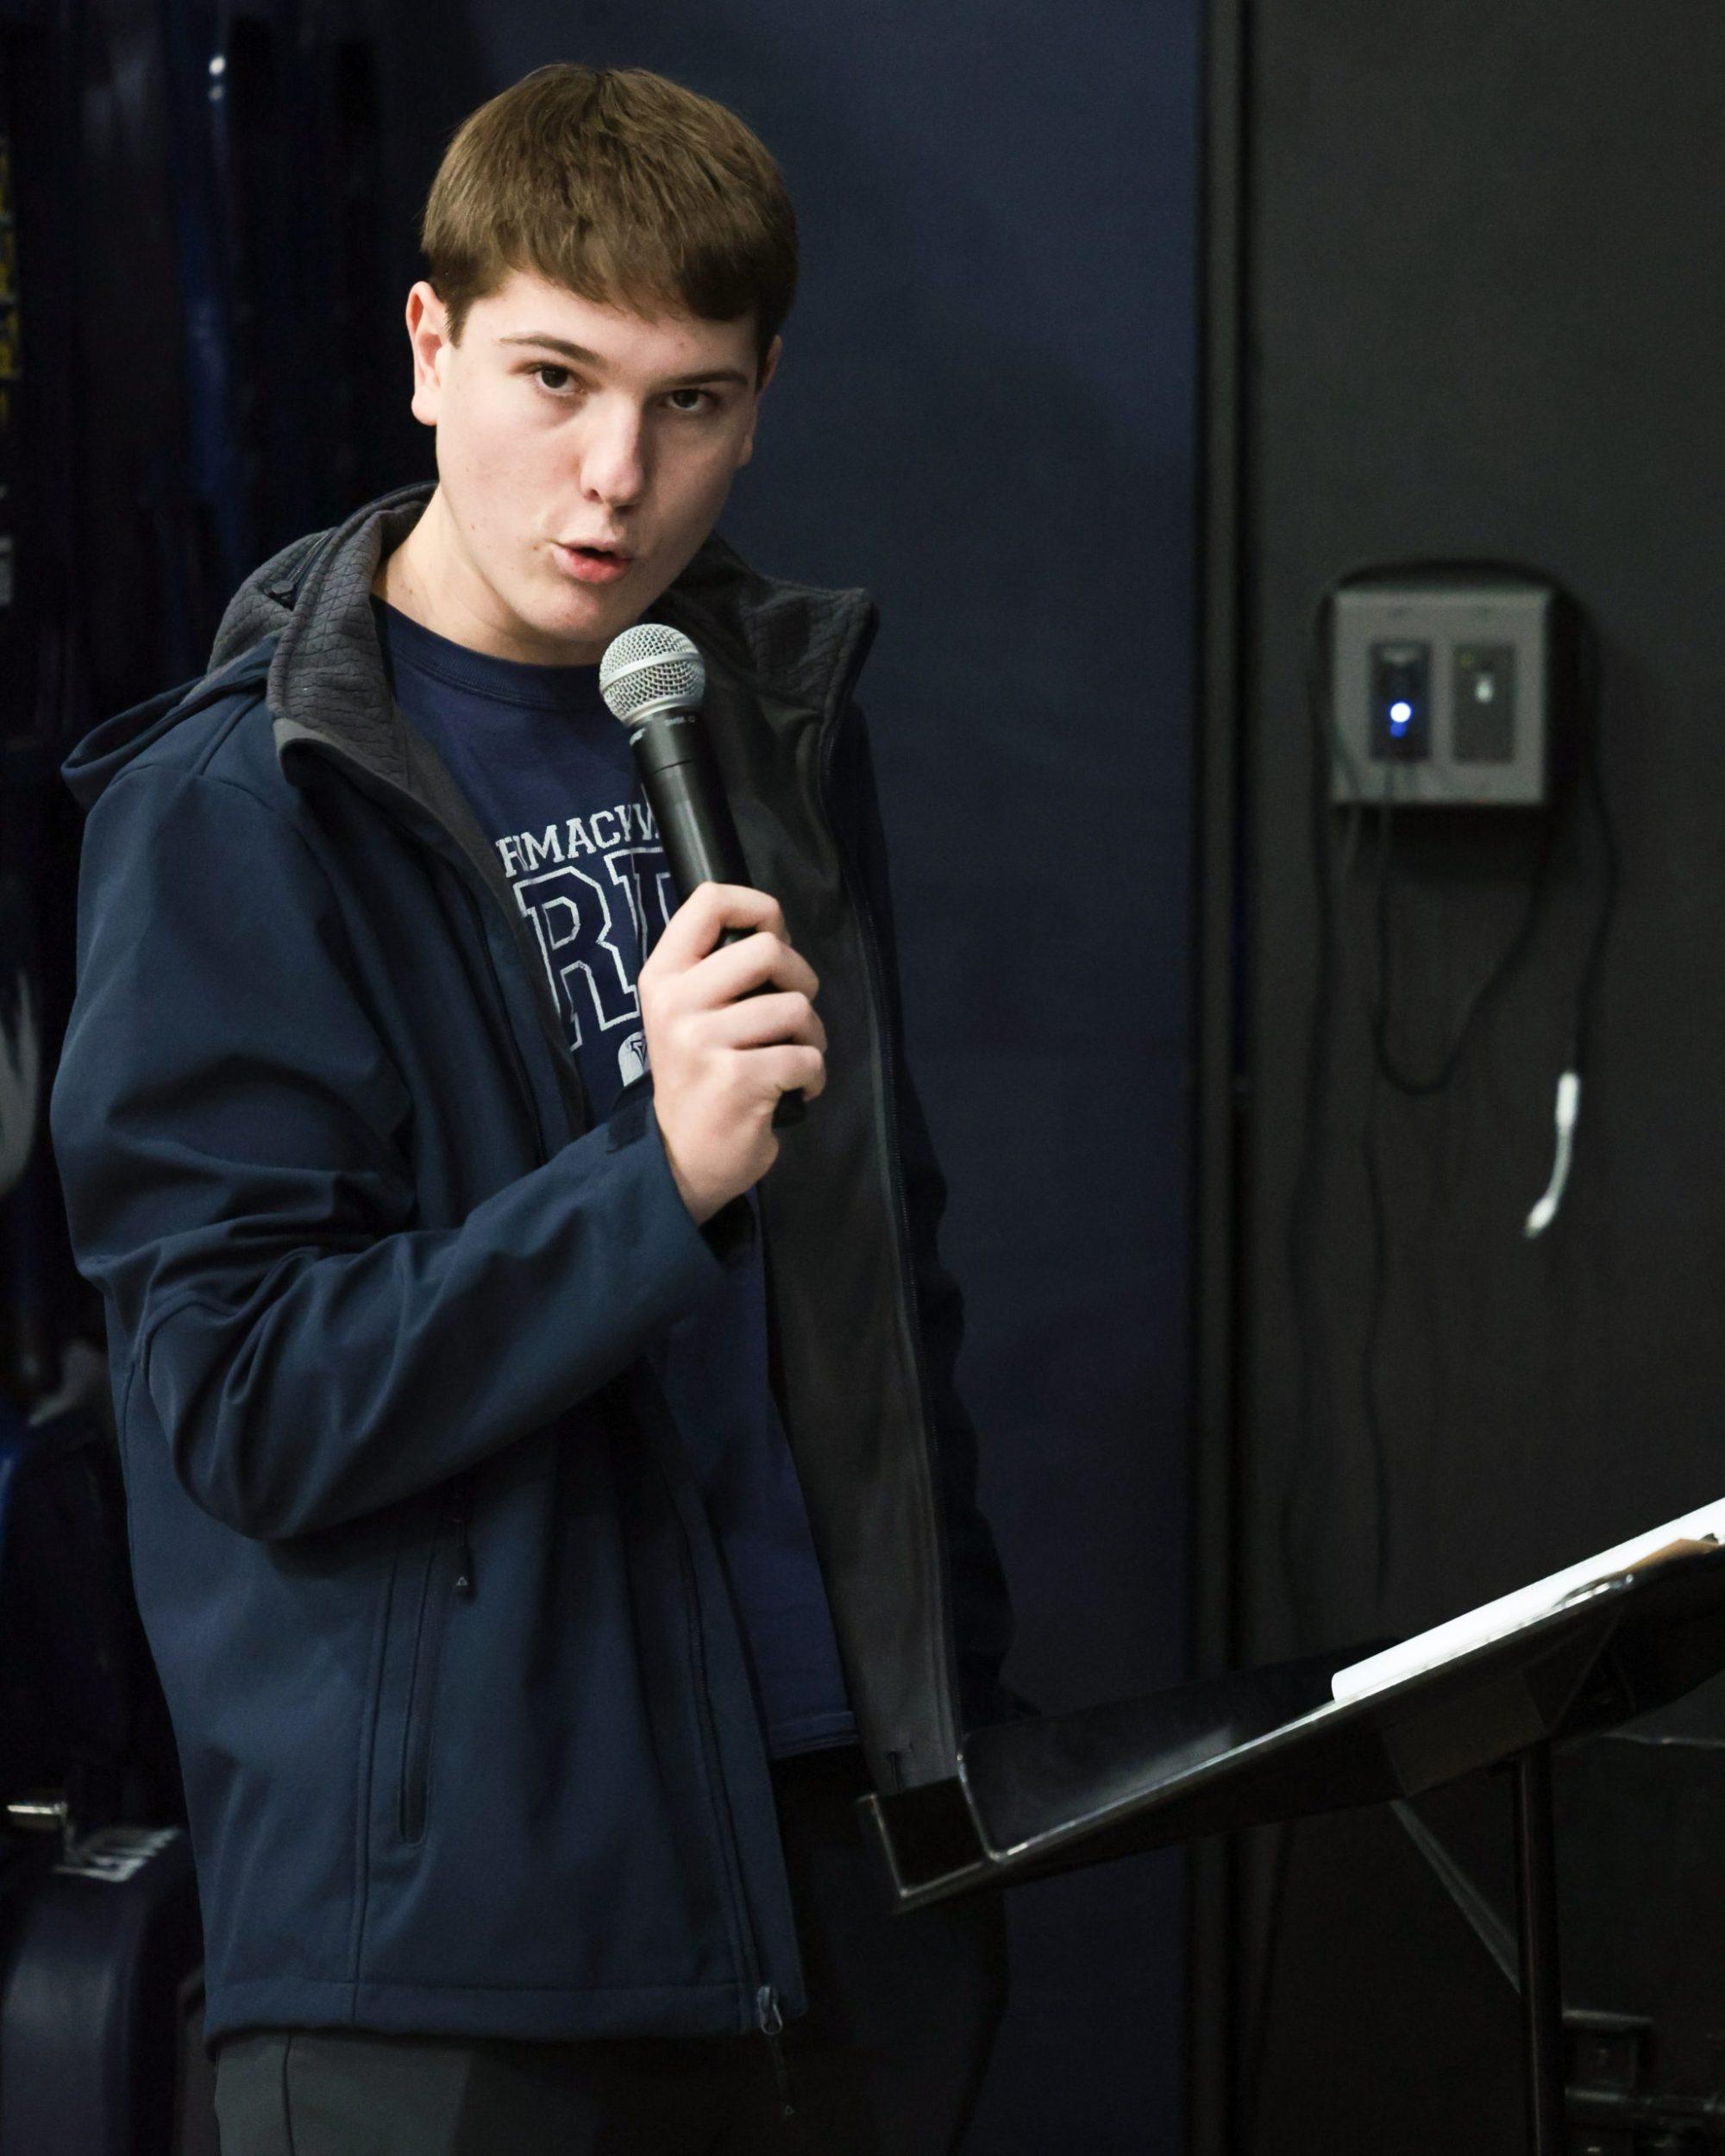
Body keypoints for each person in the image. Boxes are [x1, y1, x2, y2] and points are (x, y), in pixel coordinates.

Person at [47, 59, 1020, 2156]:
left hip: (842, 1864)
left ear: (761, 402)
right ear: (430, 348)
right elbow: (240, 1395)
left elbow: (882, 1274)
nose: (614, 478)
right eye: (554, 379)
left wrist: (953, 1738)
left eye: (690, 403)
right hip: (458, 1945)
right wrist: (645, 1181)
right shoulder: (237, 805)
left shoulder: (757, 721)